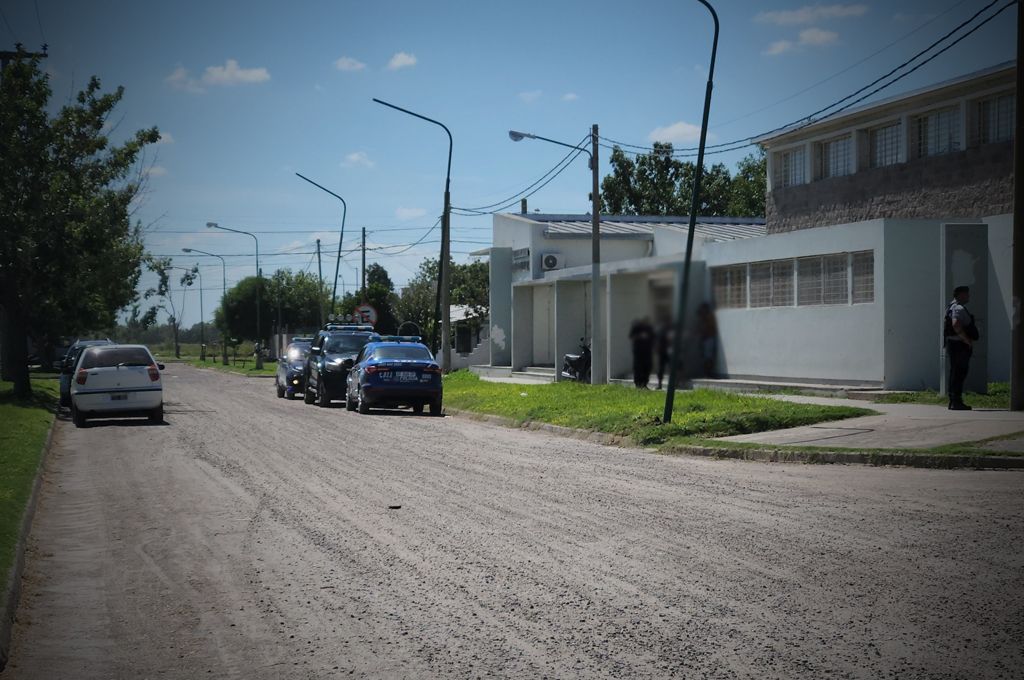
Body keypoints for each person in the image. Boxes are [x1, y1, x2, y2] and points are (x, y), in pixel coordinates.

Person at [944, 285, 979, 410]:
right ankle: (956, 401)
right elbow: (956, 324)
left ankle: (953, 401)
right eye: (967, 294)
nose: (969, 296)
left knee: (955, 372)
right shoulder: (958, 308)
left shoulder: (950, 307)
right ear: (961, 295)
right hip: (959, 346)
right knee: (959, 373)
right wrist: (966, 339)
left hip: (953, 344)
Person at [628, 317, 655, 389]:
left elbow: (653, 337)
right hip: (638, 352)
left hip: (647, 352)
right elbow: (631, 336)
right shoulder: (636, 328)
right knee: (638, 368)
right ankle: (638, 384)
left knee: (647, 367)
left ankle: (644, 384)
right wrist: (640, 336)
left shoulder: (649, 329)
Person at [695, 303, 718, 378]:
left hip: (708, 339)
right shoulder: (702, 319)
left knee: (708, 357)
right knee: (705, 357)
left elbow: (709, 329)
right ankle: (706, 373)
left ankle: (708, 373)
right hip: (704, 340)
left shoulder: (708, 318)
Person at [655, 320, 672, 389]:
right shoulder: (662, 332)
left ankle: (675, 383)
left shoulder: (670, 331)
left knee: (672, 367)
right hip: (663, 352)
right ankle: (660, 384)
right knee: (661, 369)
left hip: (668, 352)